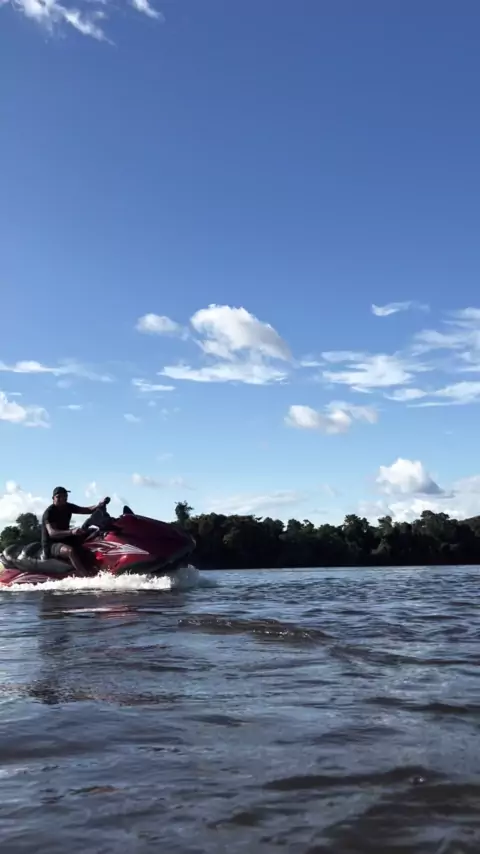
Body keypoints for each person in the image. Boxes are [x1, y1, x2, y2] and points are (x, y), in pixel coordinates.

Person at [41, 487, 108, 577]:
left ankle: (98, 567)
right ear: (53, 498)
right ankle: (86, 577)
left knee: (92, 533)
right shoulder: (49, 512)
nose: (62, 499)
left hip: (65, 539)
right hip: (51, 544)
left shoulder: (68, 506)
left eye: (65, 496)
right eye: (59, 497)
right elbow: (52, 533)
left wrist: (99, 505)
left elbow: (86, 510)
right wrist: (71, 532)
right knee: (70, 551)